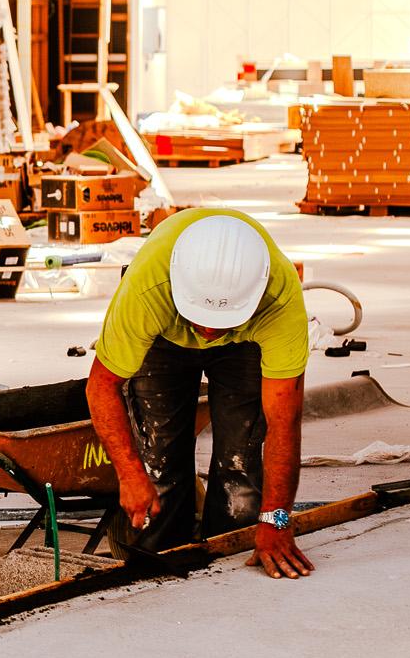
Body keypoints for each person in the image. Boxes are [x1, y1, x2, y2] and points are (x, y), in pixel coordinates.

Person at [83, 208, 314, 579]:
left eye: (219, 321)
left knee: (240, 462)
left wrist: (277, 519)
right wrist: (129, 475)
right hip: (163, 339)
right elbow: (102, 386)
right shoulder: (147, 288)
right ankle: (158, 562)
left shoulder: (279, 299)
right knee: (159, 463)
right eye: (198, 317)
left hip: (245, 345)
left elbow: (284, 423)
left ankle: (226, 562)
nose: (207, 331)